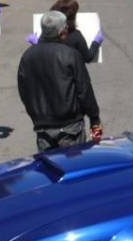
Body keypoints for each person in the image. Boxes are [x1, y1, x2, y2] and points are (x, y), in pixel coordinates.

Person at [17, 11, 103, 151]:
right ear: (62, 32)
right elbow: (84, 90)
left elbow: (23, 91)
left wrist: (36, 115)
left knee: (51, 169)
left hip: (43, 128)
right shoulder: (70, 55)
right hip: (70, 127)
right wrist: (94, 119)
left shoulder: (27, 56)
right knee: (74, 169)